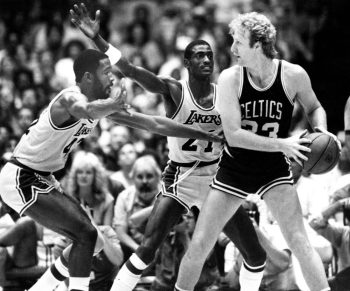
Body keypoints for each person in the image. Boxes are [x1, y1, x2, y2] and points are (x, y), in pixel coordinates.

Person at [70, 4, 266, 291]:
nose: (205, 60)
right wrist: (97, 40)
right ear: (186, 63)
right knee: (147, 250)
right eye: (198, 55)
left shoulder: (227, 93)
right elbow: (130, 69)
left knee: (256, 255)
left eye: (209, 55)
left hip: (218, 179)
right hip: (182, 177)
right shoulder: (175, 90)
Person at [0, 42, 221, 291]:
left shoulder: (103, 105)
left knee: (92, 242)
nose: (112, 78)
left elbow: (155, 124)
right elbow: (84, 109)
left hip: (42, 177)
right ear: (87, 77)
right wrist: (111, 106)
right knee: (85, 233)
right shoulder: (70, 97)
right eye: (106, 73)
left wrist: (206, 134)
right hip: (21, 175)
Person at [173, 12, 340, 291]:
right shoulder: (230, 79)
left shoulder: (293, 75)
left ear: (258, 44)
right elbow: (235, 136)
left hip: (272, 169)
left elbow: (314, 108)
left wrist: (321, 131)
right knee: (201, 242)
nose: (232, 49)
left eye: (238, 42)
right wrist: (284, 144)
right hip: (235, 168)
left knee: (299, 240)